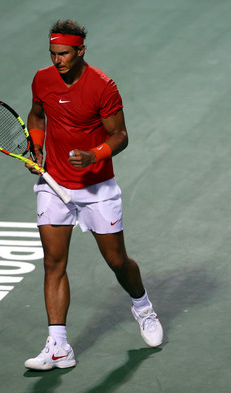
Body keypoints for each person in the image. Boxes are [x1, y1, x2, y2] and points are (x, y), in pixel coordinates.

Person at [23, 19, 163, 371]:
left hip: (97, 189)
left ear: (81, 51)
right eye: (53, 54)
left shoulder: (103, 87)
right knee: (54, 263)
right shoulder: (42, 79)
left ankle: (143, 306)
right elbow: (36, 116)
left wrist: (94, 154)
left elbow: (120, 136)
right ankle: (58, 346)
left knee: (117, 262)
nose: (58, 60)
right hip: (53, 184)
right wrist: (36, 147)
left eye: (65, 54)